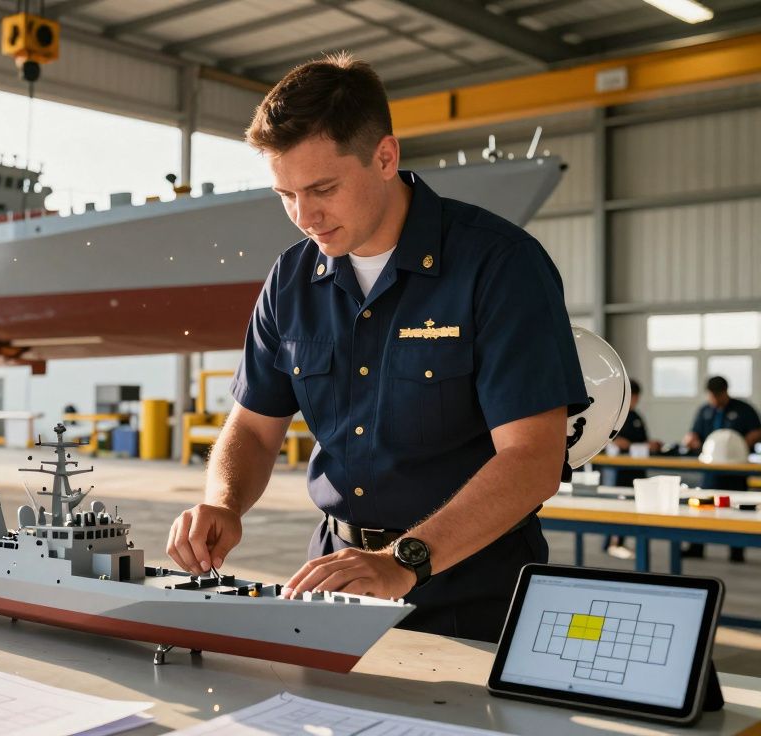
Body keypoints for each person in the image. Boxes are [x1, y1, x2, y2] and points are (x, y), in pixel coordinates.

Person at [165, 53, 588, 643]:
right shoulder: (290, 280)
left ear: (385, 157)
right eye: (284, 194)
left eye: (322, 189)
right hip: (335, 576)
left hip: (474, 586)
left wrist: (403, 561)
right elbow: (255, 428)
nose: (304, 216)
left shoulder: (498, 265)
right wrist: (224, 503)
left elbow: (532, 460)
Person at [681, 375, 761, 562]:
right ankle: (697, 547)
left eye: (718, 395)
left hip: (736, 470)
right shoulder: (705, 411)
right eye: (712, 396)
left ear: (726, 392)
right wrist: (691, 439)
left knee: (737, 508)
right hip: (711, 470)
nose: (715, 400)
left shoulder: (744, 409)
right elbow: (694, 432)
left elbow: (757, 430)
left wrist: (745, 441)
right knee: (702, 506)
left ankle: (737, 551)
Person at [603, 379, 660, 560]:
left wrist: (647, 446)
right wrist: (617, 442)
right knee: (617, 506)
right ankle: (612, 543)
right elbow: (609, 440)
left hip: (636, 469)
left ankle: (621, 541)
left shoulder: (636, 416)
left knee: (633, 505)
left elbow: (640, 441)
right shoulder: (614, 415)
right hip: (618, 471)